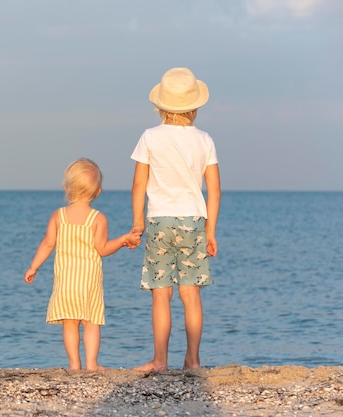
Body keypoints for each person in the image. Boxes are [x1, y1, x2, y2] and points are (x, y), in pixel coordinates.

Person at [130, 67, 221, 372]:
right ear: (194, 106)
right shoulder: (205, 140)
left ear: (161, 106)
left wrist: (137, 223)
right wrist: (211, 231)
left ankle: (159, 361)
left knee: (161, 295)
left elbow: (139, 185)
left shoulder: (150, 137)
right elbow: (215, 190)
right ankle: (193, 360)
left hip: (159, 220)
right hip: (193, 221)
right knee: (190, 293)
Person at [24, 158, 141, 371]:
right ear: (97, 192)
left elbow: (48, 243)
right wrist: (124, 240)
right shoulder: (97, 218)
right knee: (91, 322)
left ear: (66, 187)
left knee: (69, 323)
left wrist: (34, 267)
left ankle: (74, 364)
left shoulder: (58, 216)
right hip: (88, 280)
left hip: (66, 281)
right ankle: (92, 363)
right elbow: (103, 249)